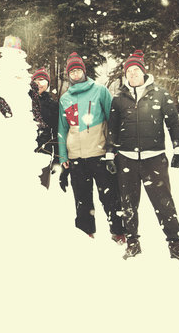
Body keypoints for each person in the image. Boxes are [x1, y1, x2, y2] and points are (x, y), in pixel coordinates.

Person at [105, 49, 179, 263]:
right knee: (128, 204)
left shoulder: (160, 94)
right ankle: (133, 244)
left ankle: (175, 244)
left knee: (164, 202)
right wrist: (110, 154)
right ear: (125, 75)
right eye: (129, 71)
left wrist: (178, 148)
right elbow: (112, 129)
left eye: (136, 70)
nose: (133, 74)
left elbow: (173, 122)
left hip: (154, 158)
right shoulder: (118, 99)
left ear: (143, 72)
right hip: (126, 158)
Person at [57, 52, 125, 243]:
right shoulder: (65, 99)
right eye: (72, 72)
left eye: (79, 70)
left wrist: (113, 149)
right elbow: (62, 130)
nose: (76, 74)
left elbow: (113, 121)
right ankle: (85, 235)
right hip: (76, 158)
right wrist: (64, 159)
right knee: (82, 200)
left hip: (100, 154)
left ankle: (119, 232)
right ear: (68, 75)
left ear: (84, 71)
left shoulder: (99, 91)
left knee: (110, 197)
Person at [28, 67, 59, 157]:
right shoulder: (24, 100)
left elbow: (57, 133)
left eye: (42, 80)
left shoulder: (53, 105)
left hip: (44, 153)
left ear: (47, 84)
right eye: (36, 80)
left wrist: (57, 157)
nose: (38, 83)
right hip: (23, 149)